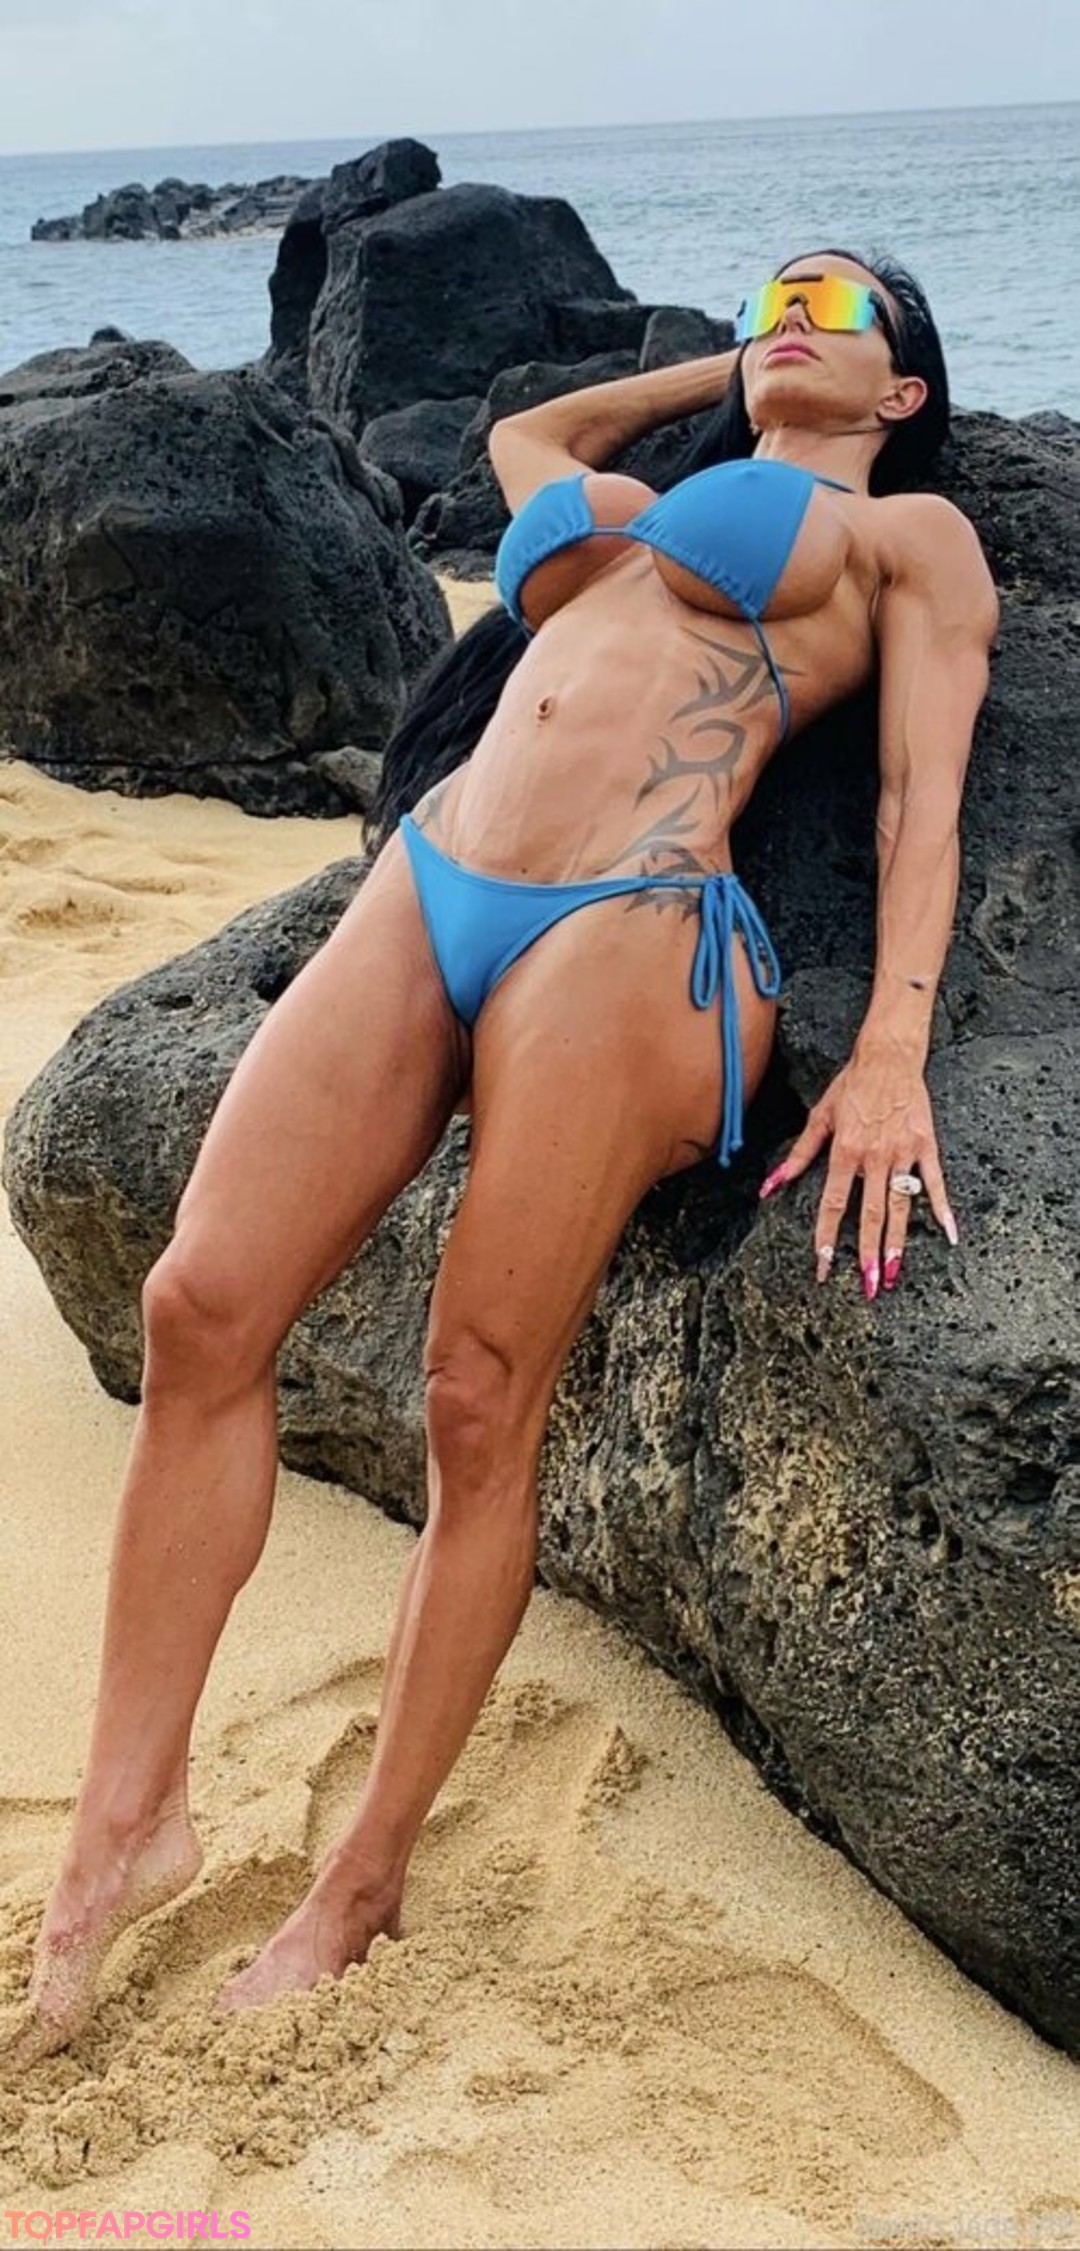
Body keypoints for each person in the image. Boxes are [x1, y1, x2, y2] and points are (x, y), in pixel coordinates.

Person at [7, 246, 998, 2058]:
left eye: (838, 309)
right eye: (775, 296)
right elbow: (527, 434)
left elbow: (917, 797)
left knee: (475, 1397)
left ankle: (361, 1881)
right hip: (438, 875)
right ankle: (123, 1828)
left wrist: (891, 1052)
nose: (797, 317)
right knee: (198, 1308)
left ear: (907, 389)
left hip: (638, 918)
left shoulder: (905, 541)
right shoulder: (635, 507)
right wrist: (716, 372)